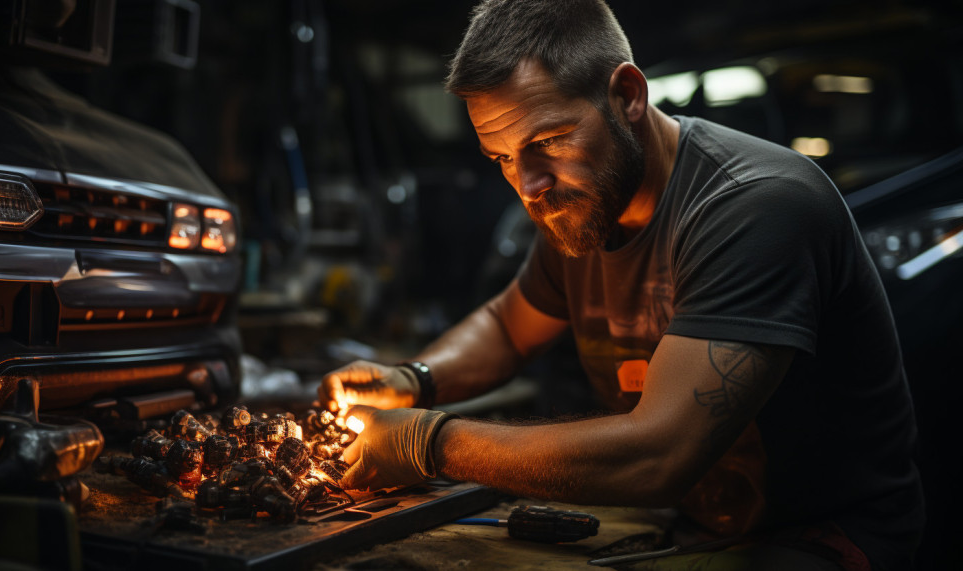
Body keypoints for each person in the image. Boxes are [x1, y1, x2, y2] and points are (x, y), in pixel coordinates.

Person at [319, 1, 924, 568]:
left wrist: (429, 442)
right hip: (691, 526)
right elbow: (509, 326)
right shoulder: (584, 206)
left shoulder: (755, 208)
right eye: (500, 157)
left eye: (546, 142)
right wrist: (413, 380)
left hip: (825, 542)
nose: (527, 184)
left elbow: (657, 454)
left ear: (628, 95)